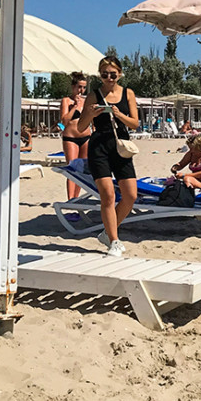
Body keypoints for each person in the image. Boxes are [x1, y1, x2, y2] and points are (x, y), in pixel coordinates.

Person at [76, 56, 139, 256]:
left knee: (130, 196)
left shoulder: (128, 93)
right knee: (108, 195)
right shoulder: (94, 95)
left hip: (121, 146)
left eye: (113, 74)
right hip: (99, 147)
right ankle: (114, 240)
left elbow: (135, 124)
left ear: (119, 74)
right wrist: (91, 114)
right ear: (100, 75)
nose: (109, 78)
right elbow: (80, 127)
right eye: (104, 74)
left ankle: (107, 233)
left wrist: (119, 114)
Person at [59, 72, 91, 200]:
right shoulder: (66, 101)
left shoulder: (87, 101)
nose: (81, 90)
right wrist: (75, 107)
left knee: (82, 170)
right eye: (79, 87)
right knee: (72, 169)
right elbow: (64, 121)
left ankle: (76, 198)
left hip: (85, 137)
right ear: (73, 86)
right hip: (71, 138)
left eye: (83, 87)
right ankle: (70, 199)